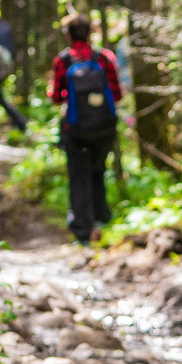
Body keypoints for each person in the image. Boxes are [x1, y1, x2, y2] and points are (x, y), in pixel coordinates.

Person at [47, 16, 120, 244]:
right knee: (98, 171)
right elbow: (117, 93)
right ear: (90, 33)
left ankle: (83, 232)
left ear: (68, 35)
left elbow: (57, 98)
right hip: (104, 128)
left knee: (79, 176)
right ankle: (101, 221)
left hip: (75, 129)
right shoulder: (104, 58)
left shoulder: (63, 60)